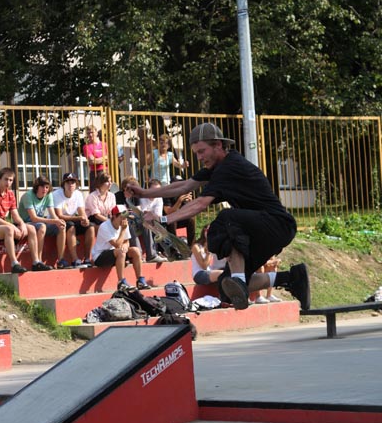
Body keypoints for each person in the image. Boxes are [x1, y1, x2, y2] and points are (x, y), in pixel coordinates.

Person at [126, 122, 310, 311]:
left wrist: (164, 221)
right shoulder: (216, 168)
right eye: (196, 153)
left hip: (277, 224)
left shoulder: (230, 166)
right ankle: (292, 278)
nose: (199, 157)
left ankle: (237, 279)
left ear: (218, 145)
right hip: (259, 229)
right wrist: (144, 193)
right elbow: (184, 186)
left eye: (202, 151)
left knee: (226, 219)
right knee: (225, 288)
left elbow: (200, 203)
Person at [0, 167, 52, 273]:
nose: (8, 182)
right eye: (6, 179)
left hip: (0, 224)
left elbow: (15, 215)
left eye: (11, 180)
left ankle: (36, 262)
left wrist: (22, 224)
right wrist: (12, 226)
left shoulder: (10, 194)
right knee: (8, 229)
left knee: (31, 228)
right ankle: (14, 264)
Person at [91, 205, 151, 291]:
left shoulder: (124, 224)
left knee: (136, 250)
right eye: (121, 217)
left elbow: (126, 241)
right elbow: (116, 245)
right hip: (100, 256)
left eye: (125, 217)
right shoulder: (104, 226)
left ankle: (140, 280)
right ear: (114, 217)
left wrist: (125, 247)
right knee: (121, 252)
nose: (124, 220)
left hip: (117, 253)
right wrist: (123, 230)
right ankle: (121, 282)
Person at [18, 176, 66, 269]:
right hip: (25, 223)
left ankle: (61, 260)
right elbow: (34, 218)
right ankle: (39, 261)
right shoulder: (28, 195)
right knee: (42, 226)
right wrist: (54, 220)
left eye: (47, 187)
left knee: (61, 226)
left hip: (38, 222)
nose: (45, 189)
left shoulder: (48, 195)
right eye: (42, 187)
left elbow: (53, 214)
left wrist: (58, 221)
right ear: (37, 187)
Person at [53, 172, 95, 268]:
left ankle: (87, 258)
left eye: (73, 182)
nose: (70, 184)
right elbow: (59, 215)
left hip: (73, 218)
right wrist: (80, 218)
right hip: (59, 221)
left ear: (76, 184)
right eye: (68, 182)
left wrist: (85, 220)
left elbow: (81, 212)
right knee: (71, 226)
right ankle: (75, 259)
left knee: (90, 227)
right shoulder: (56, 194)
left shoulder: (78, 194)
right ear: (63, 184)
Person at [163, 175, 196, 248]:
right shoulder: (167, 194)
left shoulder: (184, 193)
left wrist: (190, 202)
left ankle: (192, 246)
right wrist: (179, 201)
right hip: (166, 220)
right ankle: (175, 247)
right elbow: (168, 212)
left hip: (180, 219)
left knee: (191, 220)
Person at [139, 179, 168, 263]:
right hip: (140, 221)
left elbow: (158, 215)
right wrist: (152, 215)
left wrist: (152, 215)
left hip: (152, 220)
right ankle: (152, 254)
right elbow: (143, 213)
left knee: (164, 223)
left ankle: (164, 252)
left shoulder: (159, 198)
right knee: (148, 224)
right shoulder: (142, 197)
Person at [83, 125, 108, 191]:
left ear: (96, 133)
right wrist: (104, 158)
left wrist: (97, 160)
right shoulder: (86, 147)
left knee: (106, 192)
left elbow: (110, 159)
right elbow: (91, 161)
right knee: (94, 194)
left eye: (92, 132)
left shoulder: (105, 145)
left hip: (106, 172)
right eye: (88, 133)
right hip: (94, 173)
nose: (90, 135)